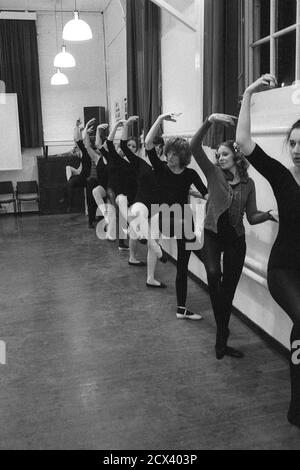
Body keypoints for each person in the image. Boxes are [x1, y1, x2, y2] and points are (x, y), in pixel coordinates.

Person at [236, 73, 300, 428]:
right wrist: (248, 94)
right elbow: (243, 141)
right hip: (284, 269)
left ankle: (296, 405)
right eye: (292, 143)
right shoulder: (280, 175)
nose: (296, 149)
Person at [190, 113, 278, 360]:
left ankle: (222, 340)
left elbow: (251, 217)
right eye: (218, 155)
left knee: (227, 292)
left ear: (237, 156)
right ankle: (224, 331)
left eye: (224, 154)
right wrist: (209, 121)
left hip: (236, 239)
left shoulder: (249, 184)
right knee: (213, 274)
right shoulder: (213, 174)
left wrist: (269, 215)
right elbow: (193, 148)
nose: (219, 157)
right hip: (212, 234)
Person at [145, 113, 208, 320]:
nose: (168, 156)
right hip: (167, 219)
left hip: (184, 222)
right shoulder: (161, 169)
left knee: (182, 266)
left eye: (173, 154)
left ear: (182, 156)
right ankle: (156, 246)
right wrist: (160, 118)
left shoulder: (190, 174)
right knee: (189, 235)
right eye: (167, 152)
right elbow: (147, 143)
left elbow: (207, 194)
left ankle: (182, 309)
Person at [120, 115, 167, 287]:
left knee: (153, 240)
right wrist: (126, 125)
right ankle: (142, 235)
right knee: (138, 211)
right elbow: (124, 147)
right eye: (155, 146)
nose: (158, 149)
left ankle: (150, 278)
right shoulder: (140, 163)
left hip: (156, 207)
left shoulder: (165, 167)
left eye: (160, 147)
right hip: (141, 202)